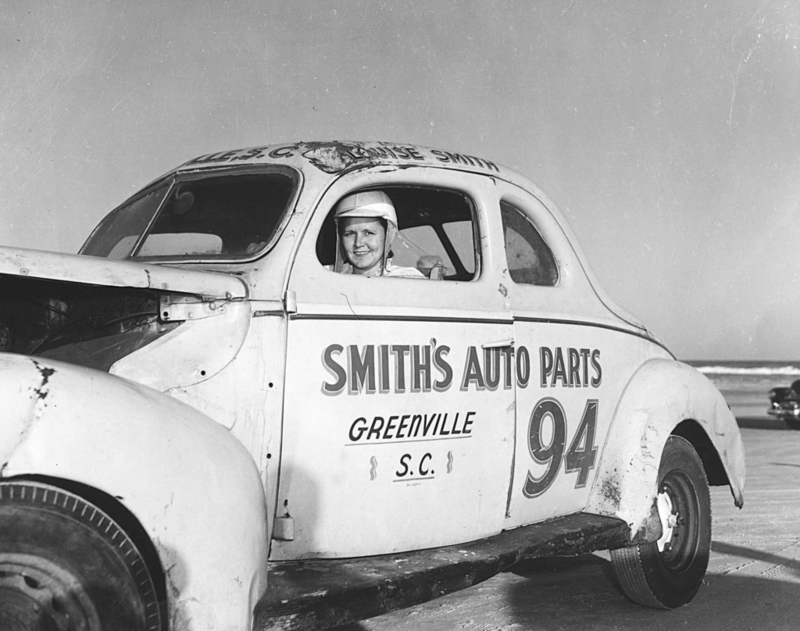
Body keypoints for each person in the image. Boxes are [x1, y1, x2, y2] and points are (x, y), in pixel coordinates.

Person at [331, 191, 424, 278]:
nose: (358, 243)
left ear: (388, 236)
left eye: (368, 233)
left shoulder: (407, 279)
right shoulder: (329, 276)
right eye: (349, 234)